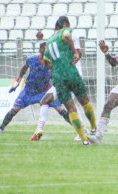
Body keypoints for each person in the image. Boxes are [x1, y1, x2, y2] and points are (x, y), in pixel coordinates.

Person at [0, 40, 67, 134]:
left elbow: (55, 74)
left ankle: (79, 131)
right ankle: (0, 129)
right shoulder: (32, 59)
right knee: (14, 110)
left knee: (61, 110)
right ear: (39, 50)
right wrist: (18, 81)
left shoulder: (53, 62)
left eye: (46, 47)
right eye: (43, 47)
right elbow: (24, 68)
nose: (45, 49)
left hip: (45, 90)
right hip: (29, 91)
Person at [43, 16, 97, 145]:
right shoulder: (64, 32)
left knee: (71, 108)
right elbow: (67, 35)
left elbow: (45, 62)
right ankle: (94, 127)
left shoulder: (48, 41)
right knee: (84, 101)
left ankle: (84, 139)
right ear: (64, 25)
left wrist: (56, 64)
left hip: (58, 76)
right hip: (70, 71)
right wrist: (75, 52)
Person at [30, 31, 88, 141]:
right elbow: (46, 61)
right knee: (45, 100)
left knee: (69, 105)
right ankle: (39, 130)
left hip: (71, 78)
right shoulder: (56, 48)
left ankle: (83, 130)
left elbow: (78, 54)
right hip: (61, 80)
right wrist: (42, 42)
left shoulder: (70, 44)